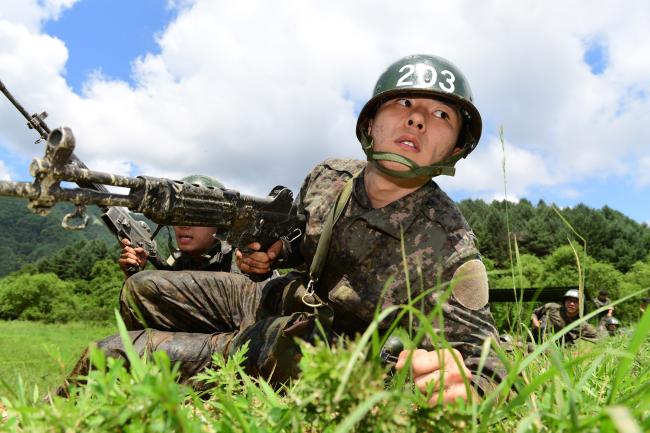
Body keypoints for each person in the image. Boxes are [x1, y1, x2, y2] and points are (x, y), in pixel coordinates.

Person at [57, 54, 505, 405]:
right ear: (371, 123)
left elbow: (489, 364)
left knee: (114, 352)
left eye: (442, 114)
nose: (418, 118)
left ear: (457, 147)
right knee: (144, 287)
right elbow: (294, 241)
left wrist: (465, 385)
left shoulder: (449, 244)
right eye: (404, 102)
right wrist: (269, 253)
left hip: (304, 346)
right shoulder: (328, 176)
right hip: (272, 297)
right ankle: (161, 391)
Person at [118, 174, 236, 277]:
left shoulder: (242, 263)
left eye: (196, 217)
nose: (184, 225)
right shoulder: (177, 261)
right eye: (178, 214)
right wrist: (133, 275)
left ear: (220, 224)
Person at [531, 289, 599, 344]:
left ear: (581, 305)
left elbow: (597, 339)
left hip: (557, 350)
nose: (572, 304)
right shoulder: (552, 308)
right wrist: (535, 322)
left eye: (576, 301)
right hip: (535, 340)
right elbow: (534, 313)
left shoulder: (581, 324)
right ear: (564, 301)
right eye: (569, 300)